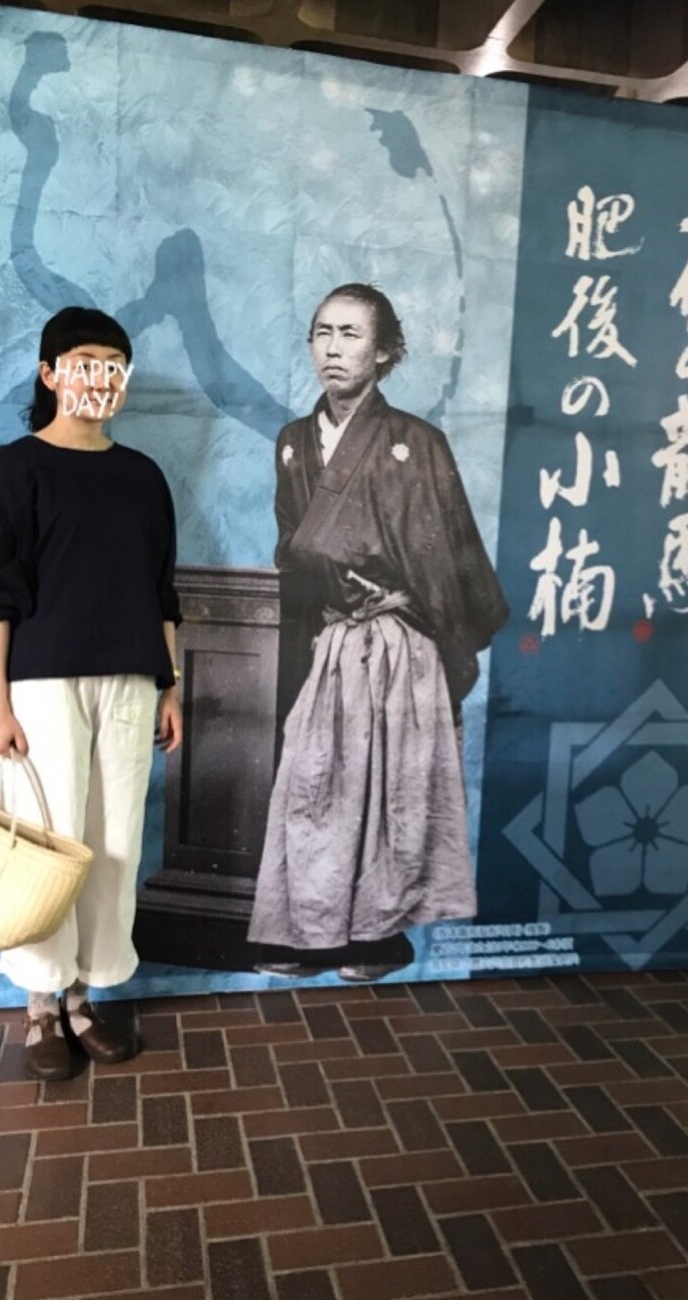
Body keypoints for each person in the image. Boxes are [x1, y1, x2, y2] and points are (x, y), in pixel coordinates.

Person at [249, 283, 508, 983]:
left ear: (385, 351)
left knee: (392, 791)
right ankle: (310, 930)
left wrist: (435, 638)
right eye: (322, 333)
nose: (333, 349)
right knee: (316, 784)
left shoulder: (417, 443)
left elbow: (450, 559)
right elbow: (291, 548)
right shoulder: (294, 444)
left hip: (401, 641)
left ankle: (376, 938)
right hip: (332, 639)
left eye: (352, 335)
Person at [0, 306, 183, 1080]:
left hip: (129, 681)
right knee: (45, 844)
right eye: (86, 361)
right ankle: (39, 1008)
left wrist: (169, 684)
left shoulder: (143, 477)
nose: (100, 376)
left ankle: (85, 999)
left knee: (113, 844)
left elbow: (161, 591)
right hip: (40, 684)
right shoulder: (13, 468)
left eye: (114, 365)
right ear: (50, 373)